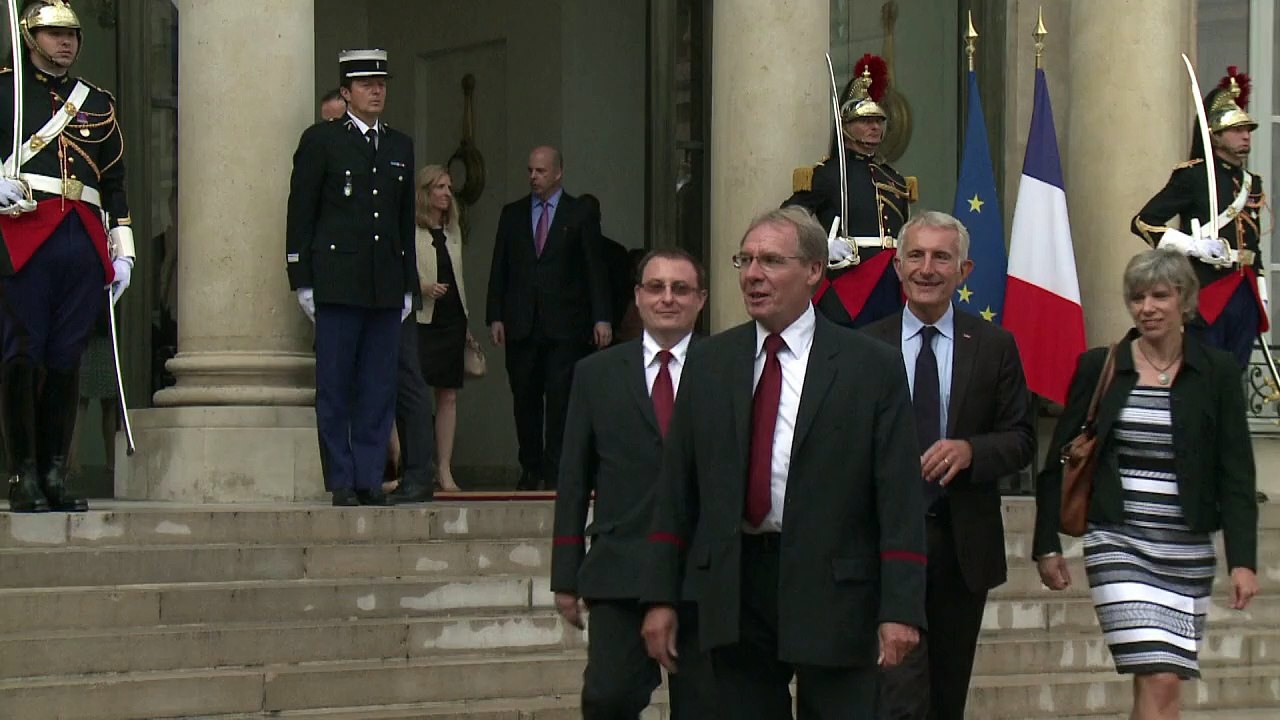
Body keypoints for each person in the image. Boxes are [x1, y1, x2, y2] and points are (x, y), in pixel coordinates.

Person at [641, 206, 926, 719]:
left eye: (771, 260)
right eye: (745, 260)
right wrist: (660, 598)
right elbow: (676, 493)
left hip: (835, 592)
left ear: (814, 270)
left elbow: (900, 496)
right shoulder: (708, 362)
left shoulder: (870, 367)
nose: (752, 274)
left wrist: (900, 609)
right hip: (733, 591)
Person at [1033, 249, 1259, 720]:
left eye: (1160, 295)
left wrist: (1242, 561)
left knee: (1159, 686)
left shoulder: (1215, 372)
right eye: (1138, 298)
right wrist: (1045, 544)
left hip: (1187, 549)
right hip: (1118, 541)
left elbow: (1236, 474)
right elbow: (1058, 459)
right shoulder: (1103, 366)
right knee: (1158, 675)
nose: (1148, 307)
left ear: (1185, 301)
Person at [862, 211, 1035, 720]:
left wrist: (971, 451)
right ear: (897, 266)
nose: (927, 268)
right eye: (915, 255)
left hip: (961, 547)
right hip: (887, 544)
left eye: (942, 257)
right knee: (898, 692)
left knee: (945, 696)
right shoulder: (863, 346)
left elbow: (1023, 438)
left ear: (964, 271)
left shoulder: (994, 345)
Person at [552, 248, 716, 719]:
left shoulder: (727, 366)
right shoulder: (595, 374)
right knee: (607, 699)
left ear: (701, 299)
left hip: (702, 574)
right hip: (620, 568)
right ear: (638, 298)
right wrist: (565, 574)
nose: (668, 298)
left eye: (681, 288)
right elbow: (574, 476)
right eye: (656, 287)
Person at [0, 0, 135, 513]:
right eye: (55, 34)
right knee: (22, 355)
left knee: (65, 358)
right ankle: (24, 473)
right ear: (30, 38)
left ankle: (57, 471)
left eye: (72, 35)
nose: (66, 43)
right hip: (24, 233)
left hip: (81, 237)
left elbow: (115, 181)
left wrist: (122, 250)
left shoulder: (97, 102)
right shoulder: (5, 91)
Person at [286, 49, 416, 507]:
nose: (376, 90)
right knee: (336, 386)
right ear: (346, 91)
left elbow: (403, 223)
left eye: (381, 83)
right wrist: (301, 276)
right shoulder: (322, 140)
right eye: (365, 84)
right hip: (338, 281)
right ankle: (342, 478)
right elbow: (301, 211)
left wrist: (408, 286)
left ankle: (368, 475)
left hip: (384, 282)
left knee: (378, 388)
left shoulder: (400, 144)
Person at [485, 146, 612, 491]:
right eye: (530, 171)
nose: (533, 177)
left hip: (566, 326)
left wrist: (602, 317)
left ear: (558, 173)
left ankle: (556, 472)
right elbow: (500, 267)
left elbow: (593, 268)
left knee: (561, 400)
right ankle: (530, 467)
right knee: (524, 398)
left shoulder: (578, 213)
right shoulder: (512, 214)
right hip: (522, 323)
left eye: (540, 171)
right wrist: (494, 315)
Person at [1131, 66, 1267, 368]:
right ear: (1215, 135)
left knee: (1236, 374)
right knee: (1203, 372)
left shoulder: (1251, 182)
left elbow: (1254, 244)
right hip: (1207, 291)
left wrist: (1261, 288)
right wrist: (1194, 246)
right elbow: (1144, 221)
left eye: (1247, 130)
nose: (1245, 136)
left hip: (1244, 291)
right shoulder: (1192, 176)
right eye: (1236, 130)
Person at [785, 54, 916, 330]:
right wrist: (821, 245)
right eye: (865, 121)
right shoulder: (828, 174)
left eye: (879, 121)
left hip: (893, 279)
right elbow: (788, 219)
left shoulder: (893, 177)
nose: (874, 127)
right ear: (845, 127)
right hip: (850, 282)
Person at [414, 164, 471, 492]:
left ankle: (445, 468)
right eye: (440, 187)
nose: (447, 194)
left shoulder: (453, 230)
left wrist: (466, 320)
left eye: (449, 188)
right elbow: (402, 271)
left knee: (448, 395)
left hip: (452, 319)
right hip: (423, 320)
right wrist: (423, 287)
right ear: (426, 193)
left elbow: (459, 277)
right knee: (418, 394)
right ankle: (418, 463)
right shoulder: (412, 230)